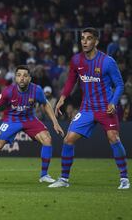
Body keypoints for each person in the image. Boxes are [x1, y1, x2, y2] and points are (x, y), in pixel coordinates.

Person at [49, 27, 130, 189]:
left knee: (114, 137)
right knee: (68, 140)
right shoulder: (76, 60)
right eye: (83, 38)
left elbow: (120, 85)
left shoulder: (107, 61)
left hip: (106, 108)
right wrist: (62, 98)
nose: (85, 41)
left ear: (96, 41)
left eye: (89, 38)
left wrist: (113, 102)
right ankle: (64, 179)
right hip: (87, 108)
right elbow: (71, 80)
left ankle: (124, 178)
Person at [0, 65, 64, 183]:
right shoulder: (8, 91)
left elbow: (45, 104)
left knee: (47, 139)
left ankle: (44, 175)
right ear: (15, 78)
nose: (22, 78)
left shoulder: (37, 90)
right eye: (19, 75)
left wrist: (55, 123)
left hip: (29, 119)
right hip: (12, 120)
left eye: (25, 76)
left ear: (30, 78)